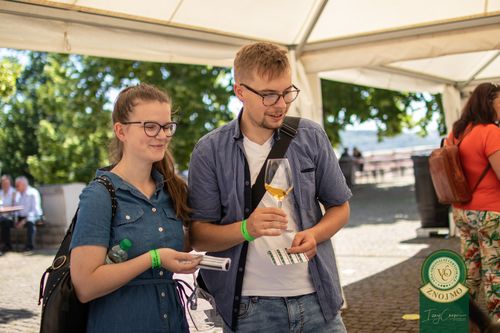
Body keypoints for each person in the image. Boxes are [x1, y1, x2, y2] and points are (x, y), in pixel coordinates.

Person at [188, 42, 351, 332]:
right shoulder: (209, 150)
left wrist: (314, 234)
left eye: (287, 92)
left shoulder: (310, 136)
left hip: (318, 300)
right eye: (268, 95)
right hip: (249, 309)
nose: (281, 104)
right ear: (240, 91)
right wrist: (246, 229)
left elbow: (340, 207)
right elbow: (199, 236)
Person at [70, 83, 202, 332]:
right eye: (150, 127)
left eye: (166, 126)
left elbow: (186, 242)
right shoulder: (99, 195)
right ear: (121, 131)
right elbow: (85, 286)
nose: (162, 135)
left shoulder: (173, 191)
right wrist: (154, 258)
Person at [449, 82, 500, 321]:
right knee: (495, 273)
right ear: (488, 103)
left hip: (462, 211)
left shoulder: (457, 133)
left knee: (470, 271)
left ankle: (459, 320)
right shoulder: (490, 132)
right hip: (490, 213)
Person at [1, 176, 43, 252]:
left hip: (34, 216)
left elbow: (35, 211)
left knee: (30, 222)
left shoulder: (33, 193)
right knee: (5, 221)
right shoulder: (17, 194)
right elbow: (16, 210)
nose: (16, 187)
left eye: (17, 185)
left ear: (23, 184)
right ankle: (7, 245)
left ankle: (29, 246)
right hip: (21, 217)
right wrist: (16, 220)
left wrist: (24, 221)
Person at [0, 175, 16, 255]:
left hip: (11, 217)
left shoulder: (14, 193)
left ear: (10, 183)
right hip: (1, 216)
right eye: (3, 183)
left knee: (5, 222)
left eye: (6, 183)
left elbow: (17, 206)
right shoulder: (0, 193)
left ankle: (6, 245)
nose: (5, 185)